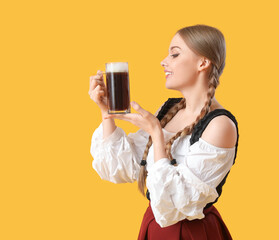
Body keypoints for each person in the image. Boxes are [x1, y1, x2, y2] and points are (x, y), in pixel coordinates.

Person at [88, 24, 239, 240]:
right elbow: (123, 168)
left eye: (175, 54)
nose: (164, 61)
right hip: (154, 226)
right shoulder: (170, 109)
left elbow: (175, 203)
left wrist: (156, 134)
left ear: (203, 62)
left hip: (190, 232)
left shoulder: (220, 125)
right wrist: (106, 112)